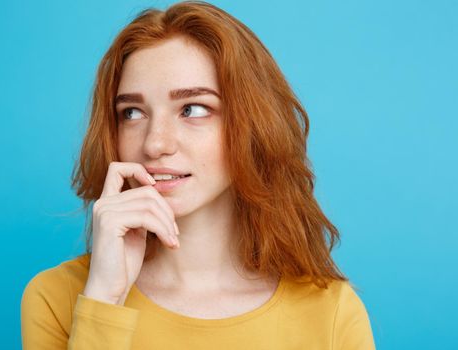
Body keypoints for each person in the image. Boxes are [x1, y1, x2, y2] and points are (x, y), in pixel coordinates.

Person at [21, 1, 375, 349]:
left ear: (253, 126)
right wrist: (103, 301)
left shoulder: (331, 313)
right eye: (132, 113)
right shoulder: (58, 298)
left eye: (192, 109)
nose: (155, 143)